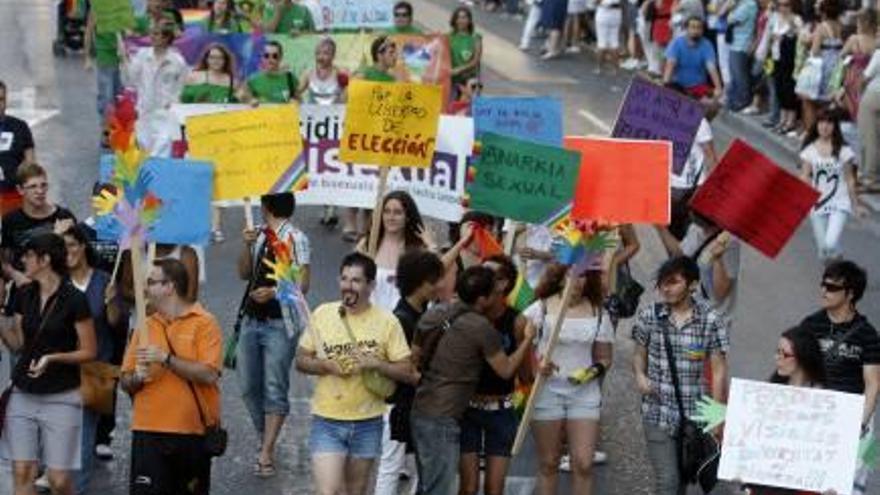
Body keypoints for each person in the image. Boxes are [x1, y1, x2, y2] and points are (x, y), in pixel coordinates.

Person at [295, 253, 415, 495]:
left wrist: (375, 364)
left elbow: (407, 372)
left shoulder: (387, 321)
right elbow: (301, 360)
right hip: (327, 419)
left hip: (367, 422)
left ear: (371, 285)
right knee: (328, 491)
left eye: (356, 281)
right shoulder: (323, 314)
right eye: (344, 279)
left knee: (355, 491)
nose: (348, 286)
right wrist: (325, 366)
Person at [410, 266, 536, 495]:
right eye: (493, 290)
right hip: (445, 417)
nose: (500, 292)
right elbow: (506, 370)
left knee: (429, 484)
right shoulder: (481, 327)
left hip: (421, 410)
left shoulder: (434, 313)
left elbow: (414, 357)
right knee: (438, 488)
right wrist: (527, 340)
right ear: (482, 299)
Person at [0, 233, 97, 495]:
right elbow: (18, 344)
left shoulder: (74, 299)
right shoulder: (24, 294)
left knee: (59, 480)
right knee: (22, 472)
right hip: (24, 392)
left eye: (29, 255)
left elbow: (89, 350)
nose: (23, 261)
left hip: (62, 395)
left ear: (44, 260)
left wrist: (54, 358)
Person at [119, 259, 222, 495]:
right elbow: (125, 380)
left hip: (191, 433)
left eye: (151, 282)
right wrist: (136, 378)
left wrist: (166, 359)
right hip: (148, 431)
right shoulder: (145, 326)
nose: (145, 288)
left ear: (170, 287)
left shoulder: (205, 323)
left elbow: (208, 374)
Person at [632, 256, 729, 495]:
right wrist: (639, 376)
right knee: (668, 482)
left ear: (693, 284)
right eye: (663, 283)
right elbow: (638, 355)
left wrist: (716, 416)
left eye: (673, 282)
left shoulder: (710, 319)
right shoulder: (649, 317)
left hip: (695, 417)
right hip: (657, 413)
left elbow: (718, 369)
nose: (666, 288)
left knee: (683, 479)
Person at [237, 192, 310, 477]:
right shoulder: (258, 235)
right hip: (251, 320)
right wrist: (246, 246)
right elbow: (243, 273)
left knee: (274, 386)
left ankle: (266, 450)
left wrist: (275, 292)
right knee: (247, 386)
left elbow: (304, 284)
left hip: (281, 324)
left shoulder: (296, 238)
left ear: (266, 206)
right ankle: (265, 434)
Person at [524, 263, 614, 495]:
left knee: (583, 464)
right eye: (571, 273)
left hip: (584, 394)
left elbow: (604, 358)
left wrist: (590, 373)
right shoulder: (540, 309)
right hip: (545, 392)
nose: (577, 279)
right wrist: (537, 365)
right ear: (561, 277)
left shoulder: (598, 312)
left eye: (583, 274)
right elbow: (522, 348)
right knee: (549, 462)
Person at [799, 260, 880, 495]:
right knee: (811, 480)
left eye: (832, 288)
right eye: (823, 285)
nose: (824, 291)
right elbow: (796, 369)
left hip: (855, 415)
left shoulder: (868, 334)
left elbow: (873, 384)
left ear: (850, 294)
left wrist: (861, 424)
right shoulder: (810, 325)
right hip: (818, 412)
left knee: (853, 485)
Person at [458, 255, 534, 495]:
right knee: (468, 487)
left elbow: (524, 375)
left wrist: (538, 367)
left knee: (494, 488)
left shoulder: (518, 321)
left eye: (489, 276)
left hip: (501, 412)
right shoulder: (467, 314)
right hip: (466, 409)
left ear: (503, 284)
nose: (480, 279)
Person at [374, 251, 446, 495]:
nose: (439, 286)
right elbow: (405, 370)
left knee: (417, 469)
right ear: (419, 283)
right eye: (433, 281)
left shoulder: (422, 313)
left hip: (414, 405)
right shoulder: (403, 320)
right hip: (399, 405)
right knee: (391, 466)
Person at [62, 226, 121, 495]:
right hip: (63, 371)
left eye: (72, 245)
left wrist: (111, 303)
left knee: (84, 437)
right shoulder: (58, 284)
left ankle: (80, 489)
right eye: (63, 249)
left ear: (83, 246)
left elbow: (113, 323)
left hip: (95, 370)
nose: (68, 253)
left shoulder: (104, 281)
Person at [799, 108, 867, 261]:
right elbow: (804, 176)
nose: (825, 126)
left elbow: (850, 179)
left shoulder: (844, 150)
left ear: (835, 126)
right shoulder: (809, 150)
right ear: (816, 125)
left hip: (839, 202)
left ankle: (837, 261)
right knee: (823, 251)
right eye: (821, 122)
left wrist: (855, 206)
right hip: (817, 203)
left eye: (829, 123)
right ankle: (836, 266)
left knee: (830, 244)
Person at [298, 37, 349, 228]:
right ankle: (323, 202)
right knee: (315, 167)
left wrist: (345, 89)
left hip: (333, 128)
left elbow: (345, 101)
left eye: (326, 53)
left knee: (331, 167)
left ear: (333, 55)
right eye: (319, 52)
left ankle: (331, 206)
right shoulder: (308, 73)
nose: (322, 56)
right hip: (313, 128)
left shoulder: (341, 75)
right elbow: (296, 92)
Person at [1, 163, 77, 290]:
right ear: (20, 190)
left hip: (58, 289)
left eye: (43, 185)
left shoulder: (63, 216)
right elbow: (4, 261)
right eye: (32, 187)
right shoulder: (10, 220)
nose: (40, 191)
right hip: (25, 290)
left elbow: (76, 257)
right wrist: (15, 275)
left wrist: (63, 237)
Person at [120, 19, 188, 157]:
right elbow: (129, 81)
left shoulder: (177, 61)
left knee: (161, 150)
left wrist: (174, 103)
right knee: (144, 149)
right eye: (152, 33)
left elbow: (182, 85)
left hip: (166, 113)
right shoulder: (143, 55)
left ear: (167, 38)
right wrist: (124, 62)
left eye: (157, 34)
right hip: (144, 112)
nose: (152, 37)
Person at [655, 213, 740, 317]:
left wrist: (718, 259)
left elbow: (720, 292)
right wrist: (661, 228)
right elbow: (681, 256)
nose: (690, 208)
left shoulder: (730, 242)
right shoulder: (695, 228)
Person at [356, 190, 429, 311]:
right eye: (387, 211)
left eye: (397, 213)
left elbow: (432, 283)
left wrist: (431, 248)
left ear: (407, 217)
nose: (391, 217)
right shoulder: (367, 244)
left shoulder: (418, 248)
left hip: (403, 321)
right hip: (370, 318)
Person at [799, 0, 844, 135]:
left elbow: (815, 51)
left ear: (824, 12)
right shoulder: (840, 26)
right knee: (826, 104)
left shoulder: (821, 27)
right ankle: (824, 134)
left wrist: (807, 42)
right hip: (836, 68)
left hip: (821, 69)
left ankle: (811, 133)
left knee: (809, 101)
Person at [83, 8, 123, 147]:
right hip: (105, 58)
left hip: (122, 58)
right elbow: (89, 31)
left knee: (120, 96)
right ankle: (106, 132)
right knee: (107, 97)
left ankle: (118, 130)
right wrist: (87, 56)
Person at [765, 0, 803, 133]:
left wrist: (788, 35)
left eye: (786, 5)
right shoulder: (775, 17)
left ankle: (790, 121)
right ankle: (782, 119)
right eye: (780, 5)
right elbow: (768, 35)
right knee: (779, 88)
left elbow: (802, 37)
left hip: (789, 60)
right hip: (776, 57)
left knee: (789, 89)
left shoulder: (796, 19)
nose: (783, 8)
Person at [663, 17, 724, 100]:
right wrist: (665, 87)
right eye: (693, 27)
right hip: (678, 86)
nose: (696, 31)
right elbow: (670, 65)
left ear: (702, 30)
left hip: (699, 86)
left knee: (709, 104)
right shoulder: (676, 43)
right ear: (686, 29)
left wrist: (718, 88)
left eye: (699, 27)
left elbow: (711, 67)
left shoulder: (707, 44)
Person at [0, 80, 35, 215]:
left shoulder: (20, 126)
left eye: (1, 99)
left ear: (6, 101)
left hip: (13, 197)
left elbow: (31, 163)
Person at [720, 0, 759, 111]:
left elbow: (731, 19)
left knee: (740, 75)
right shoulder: (741, 3)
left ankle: (743, 101)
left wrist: (731, 10)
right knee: (735, 74)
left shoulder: (749, 4)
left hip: (742, 45)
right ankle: (733, 100)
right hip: (735, 43)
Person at [857, 38, 880, 192]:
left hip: (874, 95)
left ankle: (869, 179)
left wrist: (859, 94)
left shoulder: (879, 53)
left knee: (869, 138)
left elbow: (865, 76)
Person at [449, 7, 483, 93]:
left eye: (464, 17)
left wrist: (460, 69)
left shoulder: (476, 38)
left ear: (469, 20)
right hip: (451, 76)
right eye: (458, 18)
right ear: (455, 20)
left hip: (469, 77)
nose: (461, 20)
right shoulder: (448, 36)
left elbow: (476, 61)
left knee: (473, 86)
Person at [594, 0, 624, 74]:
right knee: (615, 42)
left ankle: (599, 68)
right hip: (616, 14)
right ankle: (615, 69)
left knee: (601, 43)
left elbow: (595, 2)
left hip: (603, 13)